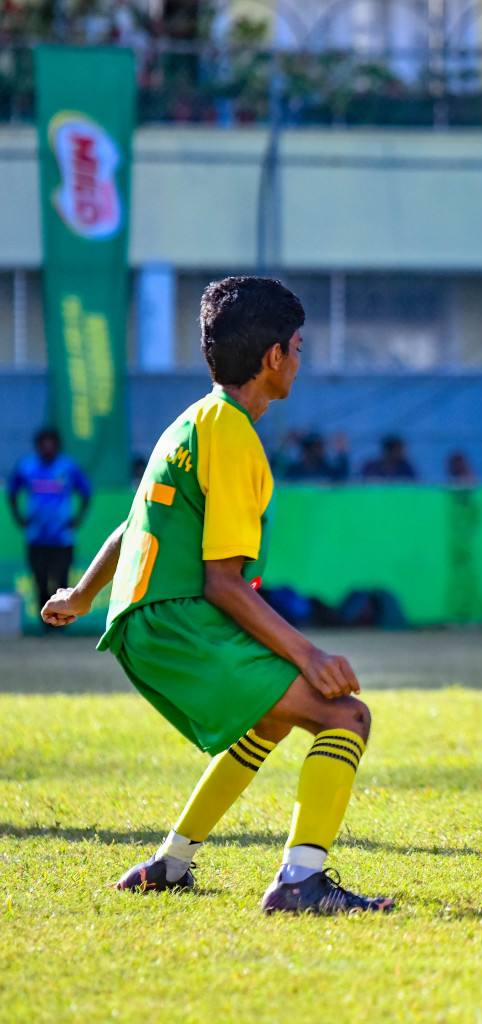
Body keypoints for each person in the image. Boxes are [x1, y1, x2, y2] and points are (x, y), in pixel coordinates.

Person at [40, 276, 393, 915]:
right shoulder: (232, 436)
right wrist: (308, 654)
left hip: (144, 620)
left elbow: (132, 526)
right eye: (298, 347)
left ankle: (169, 865)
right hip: (179, 620)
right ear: (273, 358)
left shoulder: (192, 420)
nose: (299, 359)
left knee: (271, 718)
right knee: (347, 716)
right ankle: (300, 883)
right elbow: (222, 583)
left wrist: (82, 594)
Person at [8, 427, 92, 619]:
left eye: (50, 443)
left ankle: (61, 621)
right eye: (43, 444)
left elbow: (86, 492)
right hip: (36, 537)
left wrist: (77, 519)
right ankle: (45, 622)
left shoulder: (68, 467)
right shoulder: (27, 467)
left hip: (62, 538)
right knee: (40, 580)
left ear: (57, 445)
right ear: (37, 446)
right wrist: (19, 518)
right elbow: (12, 492)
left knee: (61, 581)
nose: (47, 448)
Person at [283, 431, 349, 483]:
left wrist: (342, 453)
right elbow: (276, 471)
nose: (321, 450)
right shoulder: (293, 470)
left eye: (321, 447)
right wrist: (283, 445)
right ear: (307, 450)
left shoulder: (328, 470)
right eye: (317, 447)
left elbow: (342, 477)